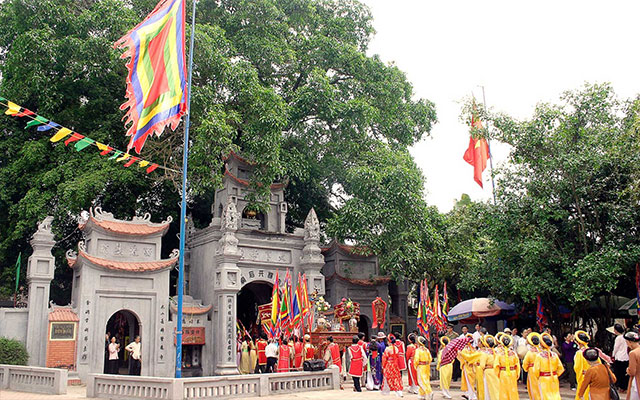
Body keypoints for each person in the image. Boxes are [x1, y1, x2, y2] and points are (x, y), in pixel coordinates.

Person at [534, 332, 564, 400]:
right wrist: (554, 374)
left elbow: (536, 370)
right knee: (555, 394)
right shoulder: (555, 355)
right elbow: (561, 368)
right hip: (554, 377)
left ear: (541, 344)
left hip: (543, 378)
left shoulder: (539, 356)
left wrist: (539, 377)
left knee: (545, 396)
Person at [493, 334, 520, 400]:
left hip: (503, 373)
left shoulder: (499, 354)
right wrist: (517, 374)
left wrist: (498, 374)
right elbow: (517, 365)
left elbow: (496, 366)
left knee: (503, 390)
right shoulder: (513, 353)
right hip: (512, 373)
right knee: (513, 389)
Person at [575, 330, 596, 400]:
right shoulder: (593, 351)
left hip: (584, 378)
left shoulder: (579, 353)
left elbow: (577, 368)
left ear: (578, 342)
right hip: (594, 377)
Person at [458, 333, 480, 400]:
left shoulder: (472, 348)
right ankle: (471, 395)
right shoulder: (464, 349)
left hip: (473, 366)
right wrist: (468, 361)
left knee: (472, 382)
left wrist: (473, 361)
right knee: (469, 381)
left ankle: (472, 395)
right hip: (467, 366)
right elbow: (463, 357)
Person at [522, 332, 541, 400]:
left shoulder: (530, 353)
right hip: (541, 371)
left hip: (532, 371)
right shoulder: (541, 351)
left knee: (533, 387)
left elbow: (525, 364)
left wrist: (526, 369)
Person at [611, 324, 629, 393]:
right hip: (626, 357)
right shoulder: (625, 337)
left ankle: (621, 386)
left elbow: (616, 348)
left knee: (619, 373)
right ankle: (624, 387)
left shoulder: (618, 338)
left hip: (619, 357)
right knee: (624, 373)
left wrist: (613, 355)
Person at [414, 336, 433, 400]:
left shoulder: (418, 350)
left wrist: (415, 366)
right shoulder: (426, 349)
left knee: (421, 381)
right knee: (426, 380)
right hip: (427, 366)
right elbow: (430, 358)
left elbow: (416, 359)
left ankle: (429, 392)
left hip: (421, 366)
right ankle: (421, 395)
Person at [481, 335, 500, 400]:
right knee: (496, 387)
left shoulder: (485, 353)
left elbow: (482, 365)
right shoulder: (496, 352)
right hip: (495, 370)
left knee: (487, 388)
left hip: (488, 371)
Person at [626, 330, 640, 400]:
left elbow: (632, 372)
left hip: (636, 381)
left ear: (630, 342)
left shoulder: (633, 353)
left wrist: (628, 370)